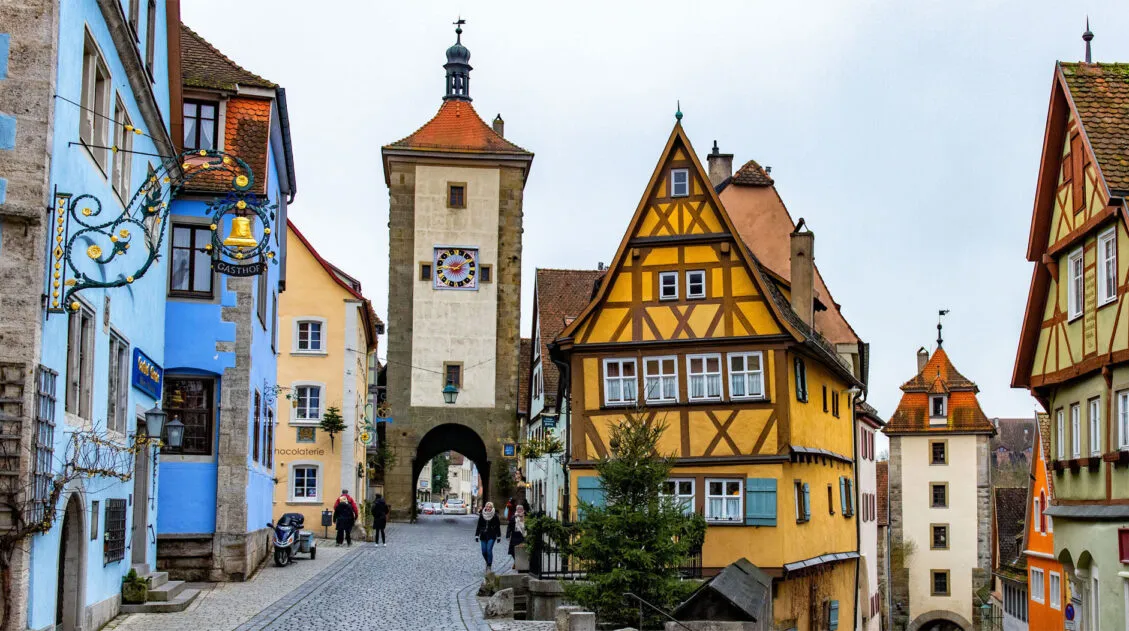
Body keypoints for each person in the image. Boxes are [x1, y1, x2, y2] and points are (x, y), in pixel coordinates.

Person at [475, 502, 502, 571]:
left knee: (489, 550)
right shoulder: (482, 515)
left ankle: (489, 565)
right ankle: (487, 561)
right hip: (483, 535)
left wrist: (499, 536)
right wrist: (477, 535)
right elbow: (479, 525)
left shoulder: (495, 516)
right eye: (487, 506)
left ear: (492, 508)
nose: (488, 508)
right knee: (484, 551)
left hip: (492, 535)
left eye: (490, 507)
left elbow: (497, 526)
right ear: (485, 507)